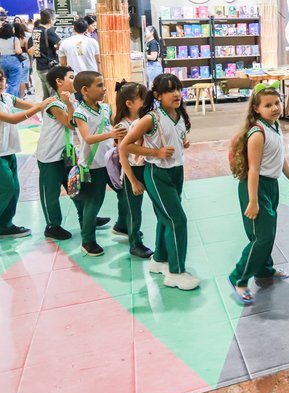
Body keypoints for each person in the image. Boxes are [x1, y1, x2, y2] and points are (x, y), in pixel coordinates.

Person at [120, 73, 198, 290]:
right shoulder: (151, 118)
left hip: (176, 172)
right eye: (169, 90)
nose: (176, 94)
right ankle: (176, 272)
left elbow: (177, 136)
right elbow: (125, 146)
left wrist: (183, 141)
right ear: (157, 95)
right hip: (157, 174)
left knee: (166, 218)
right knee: (177, 220)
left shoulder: (179, 114)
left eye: (178, 89)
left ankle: (159, 259)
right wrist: (157, 152)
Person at [226, 85, 289, 304]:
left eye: (277, 103)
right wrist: (253, 200)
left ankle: (264, 269)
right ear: (256, 109)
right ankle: (238, 278)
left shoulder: (275, 126)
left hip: (271, 185)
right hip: (255, 186)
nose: (275, 108)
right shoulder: (257, 133)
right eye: (268, 105)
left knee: (269, 231)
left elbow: (280, 156)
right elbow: (253, 170)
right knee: (261, 236)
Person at [0, 65, 50, 246]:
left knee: (14, 190)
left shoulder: (7, 97)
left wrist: (51, 104)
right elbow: (14, 119)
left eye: (0, 79)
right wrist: (40, 105)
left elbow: (31, 106)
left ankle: (6, 226)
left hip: (8, 149)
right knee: (5, 189)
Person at [70, 71, 126, 257]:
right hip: (92, 166)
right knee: (93, 203)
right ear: (85, 90)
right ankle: (88, 241)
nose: (104, 89)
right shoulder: (80, 113)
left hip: (111, 163)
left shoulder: (106, 109)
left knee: (125, 194)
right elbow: (88, 138)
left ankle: (123, 225)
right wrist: (112, 134)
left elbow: (114, 126)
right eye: (100, 85)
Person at [34, 65, 79, 242]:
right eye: (71, 77)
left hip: (66, 153)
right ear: (59, 82)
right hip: (50, 155)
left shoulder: (71, 101)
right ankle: (52, 226)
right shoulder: (53, 103)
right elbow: (71, 123)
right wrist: (68, 104)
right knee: (50, 193)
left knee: (75, 187)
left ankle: (87, 215)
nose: (74, 80)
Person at [110, 81, 154, 259]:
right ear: (129, 103)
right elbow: (123, 156)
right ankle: (135, 244)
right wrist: (133, 181)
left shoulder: (145, 119)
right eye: (142, 98)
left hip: (147, 167)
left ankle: (134, 236)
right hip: (132, 172)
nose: (146, 101)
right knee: (134, 210)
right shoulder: (122, 126)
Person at [32, 10, 61, 99]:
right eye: (54, 19)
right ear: (50, 20)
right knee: (54, 95)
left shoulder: (35, 30)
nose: (55, 21)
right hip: (49, 67)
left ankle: (45, 112)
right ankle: (54, 112)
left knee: (46, 95)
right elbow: (60, 44)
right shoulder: (48, 31)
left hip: (40, 65)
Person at [0, 22, 24, 99]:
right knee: (14, 82)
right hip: (13, 60)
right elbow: (18, 51)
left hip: (2, 61)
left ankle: (3, 97)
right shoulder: (15, 39)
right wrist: (21, 50)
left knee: (4, 81)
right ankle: (11, 99)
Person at [14, 22, 35, 98]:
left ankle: (18, 93)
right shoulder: (24, 39)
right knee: (23, 78)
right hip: (24, 58)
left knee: (17, 77)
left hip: (14, 58)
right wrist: (31, 61)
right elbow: (29, 51)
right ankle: (22, 94)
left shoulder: (12, 39)